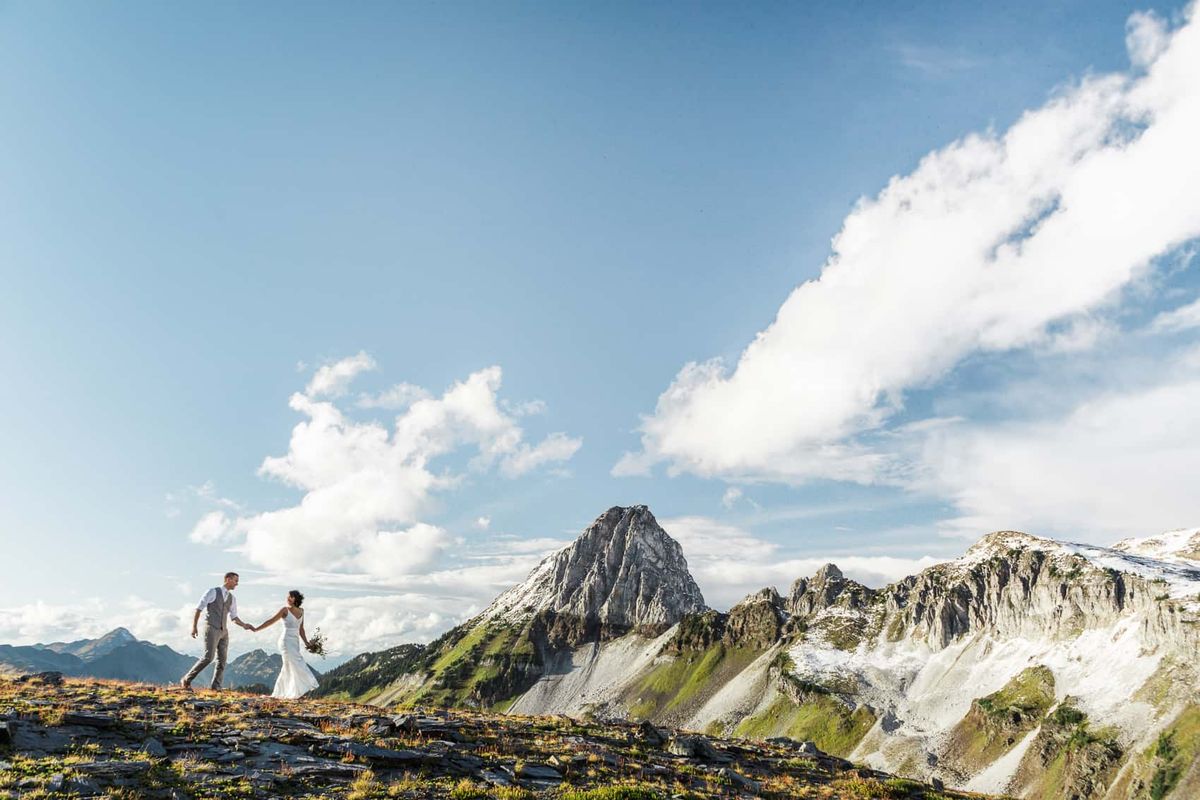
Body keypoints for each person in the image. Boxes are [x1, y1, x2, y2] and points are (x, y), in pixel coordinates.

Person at [180, 571, 253, 691]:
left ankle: (216, 687)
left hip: (224, 631)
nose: (237, 584)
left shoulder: (232, 598)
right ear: (228, 579)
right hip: (211, 627)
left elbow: (234, 617)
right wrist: (194, 627)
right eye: (236, 581)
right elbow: (199, 609)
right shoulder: (212, 592)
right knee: (208, 657)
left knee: (222, 660)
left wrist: (244, 625)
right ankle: (186, 679)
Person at [251, 589, 319, 699]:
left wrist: (307, 643)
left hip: (295, 642)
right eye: (288, 596)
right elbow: (271, 621)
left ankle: (290, 692)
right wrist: (256, 629)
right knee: (296, 663)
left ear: (296, 598)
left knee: (289, 666)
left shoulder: (302, 611)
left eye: (290, 597)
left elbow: (301, 629)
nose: (288, 598)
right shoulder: (285, 610)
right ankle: (296, 691)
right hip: (286, 641)